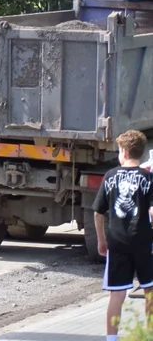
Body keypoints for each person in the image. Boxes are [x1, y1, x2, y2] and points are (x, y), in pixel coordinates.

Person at [94, 130, 153, 341]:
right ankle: (148, 336)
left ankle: (111, 339)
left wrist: (102, 240)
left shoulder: (110, 176)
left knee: (117, 293)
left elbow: (98, 212)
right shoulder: (148, 177)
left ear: (124, 152)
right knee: (150, 290)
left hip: (117, 241)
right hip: (143, 241)